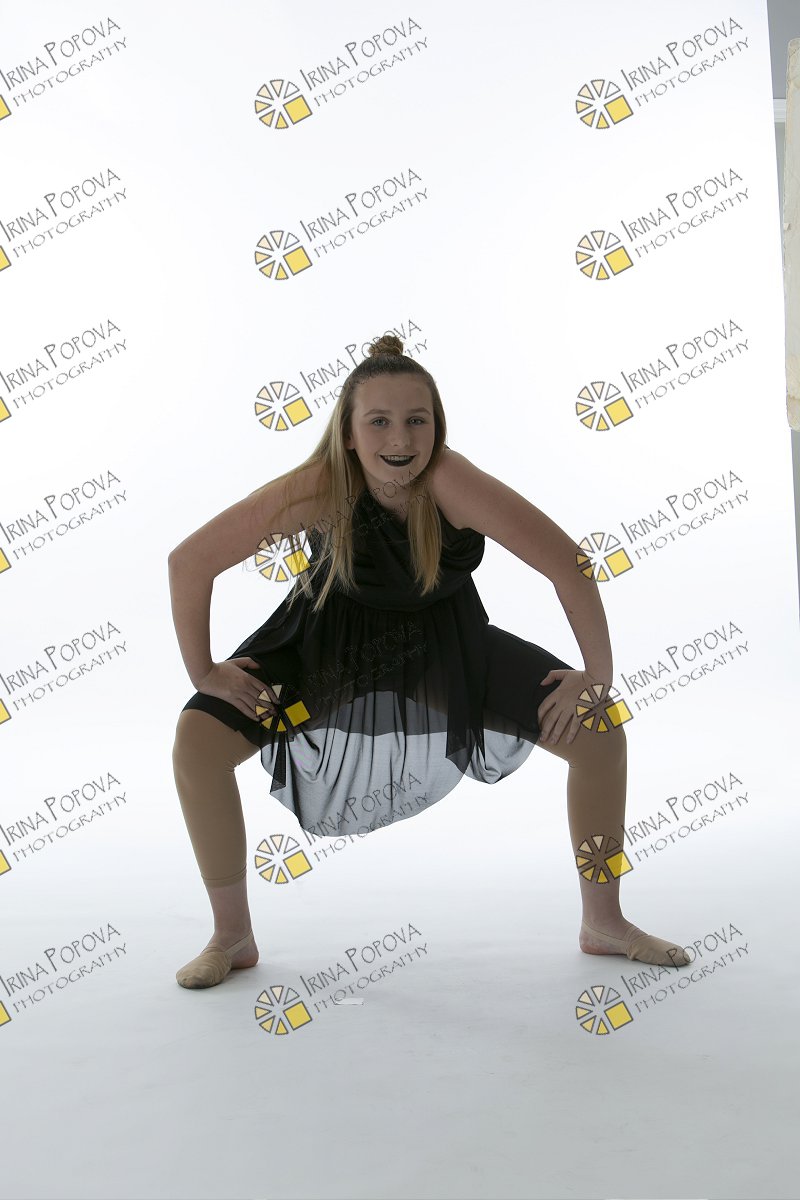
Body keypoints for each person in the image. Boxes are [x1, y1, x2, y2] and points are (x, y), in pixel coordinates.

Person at [169, 334, 689, 989]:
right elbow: (189, 562)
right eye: (379, 421)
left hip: (443, 648)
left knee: (600, 731)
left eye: (417, 420)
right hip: (325, 649)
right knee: (197, 742)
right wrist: (204, 672)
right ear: (349, 434)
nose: (400, 438)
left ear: (437, 427)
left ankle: (604, 922)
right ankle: (232, 936)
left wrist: (598, 675)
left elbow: (570, 566)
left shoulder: (452, 482)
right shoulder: (322, 486)